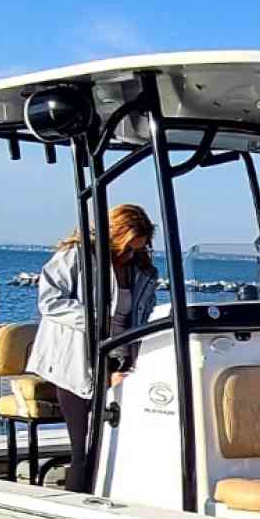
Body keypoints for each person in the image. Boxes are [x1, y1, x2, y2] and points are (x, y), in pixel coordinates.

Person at [27, 203, 160, 492]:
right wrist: (97, 321)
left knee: (129, 446)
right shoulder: (76, 257)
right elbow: (49, 302)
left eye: (137, 249)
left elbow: (140, 318)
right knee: (86, 449)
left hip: (120, 363)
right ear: (116, 236)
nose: (131, 255)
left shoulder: (143, 271)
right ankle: (76, 512)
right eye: (127, 248)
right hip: (77, 363)